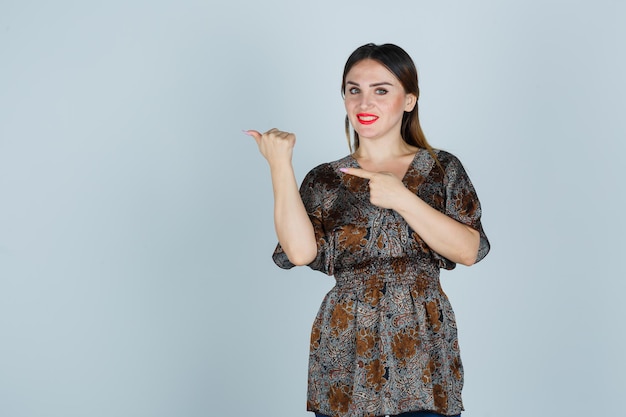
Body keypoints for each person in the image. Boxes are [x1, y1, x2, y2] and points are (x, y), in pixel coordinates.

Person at [244, 43, 490, 417]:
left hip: (422, 345)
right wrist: (280, 164)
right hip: (347, 345)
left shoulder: (442, 169)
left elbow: (469, 250)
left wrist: (401, 197)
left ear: (409, 99)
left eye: (381, 90)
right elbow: (299, 252)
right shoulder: (325, 179)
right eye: (353, 89)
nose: (364, 103)